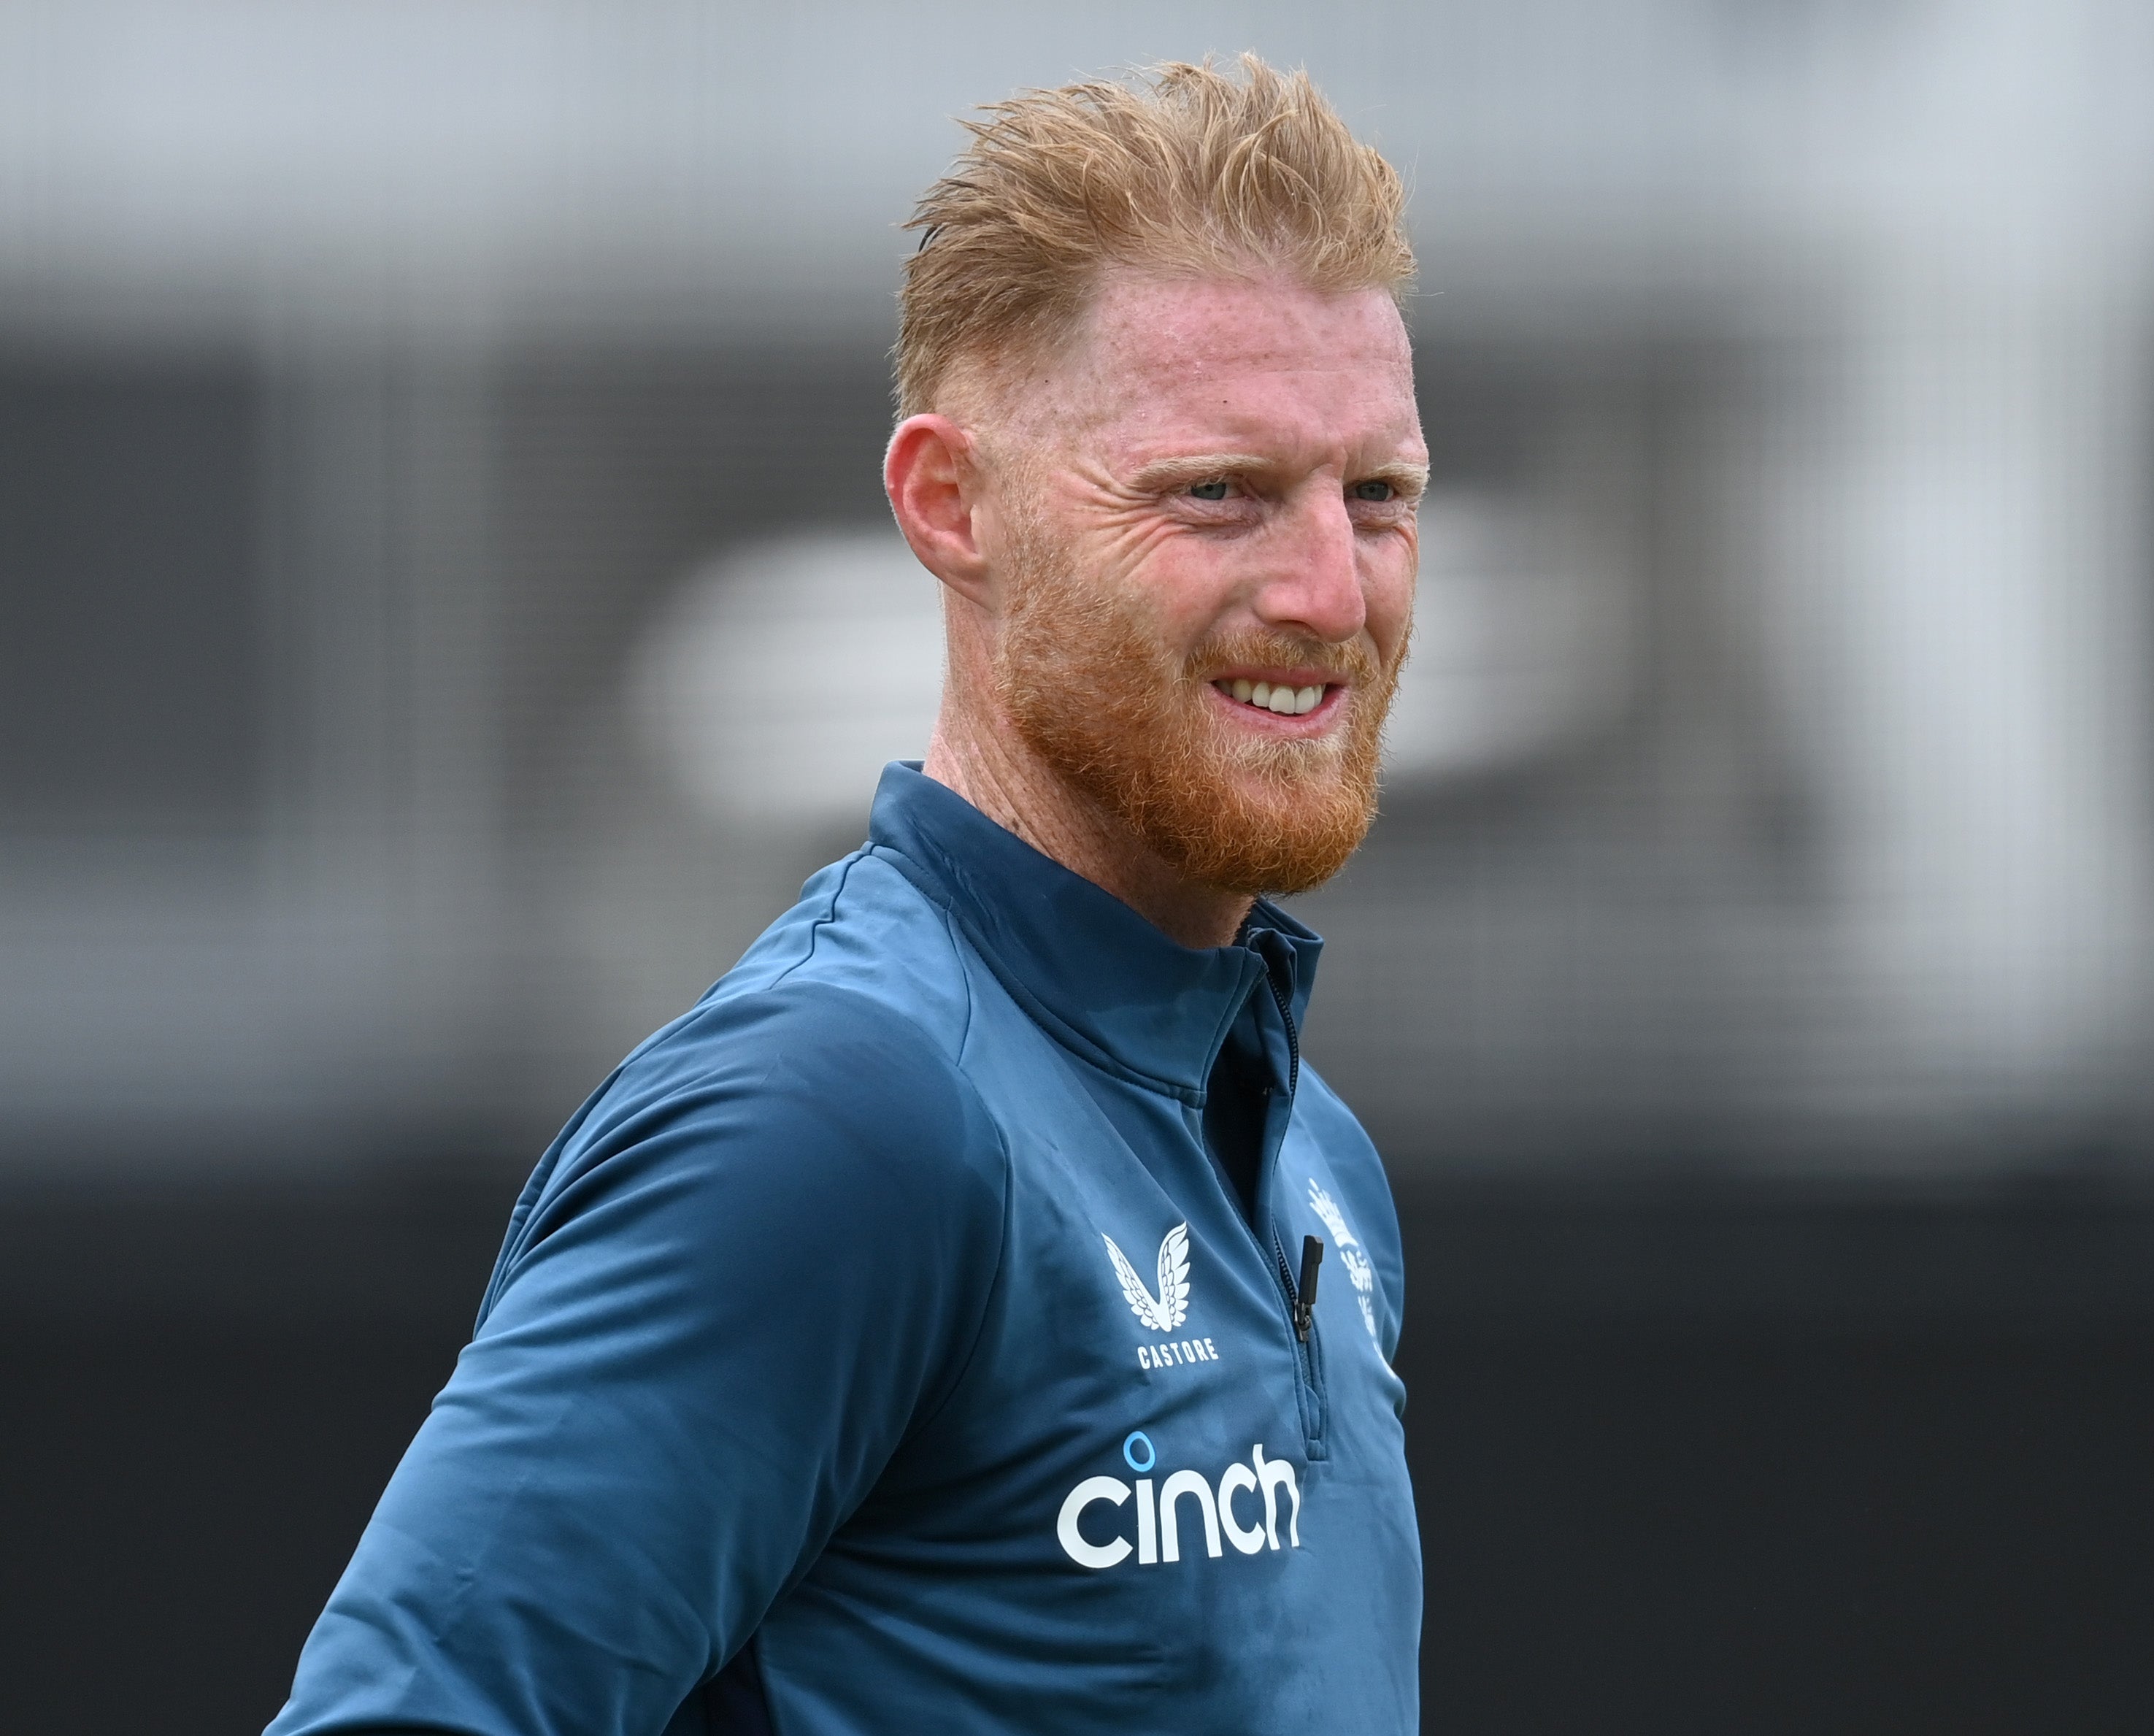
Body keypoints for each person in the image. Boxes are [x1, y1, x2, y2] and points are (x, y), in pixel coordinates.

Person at [268, 55, 1427, 1736]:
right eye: (1215, 492)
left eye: (1375, 495)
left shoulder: (1316, 1160)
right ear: (951, 508)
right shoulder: (842, 1113)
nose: (1329, 588)